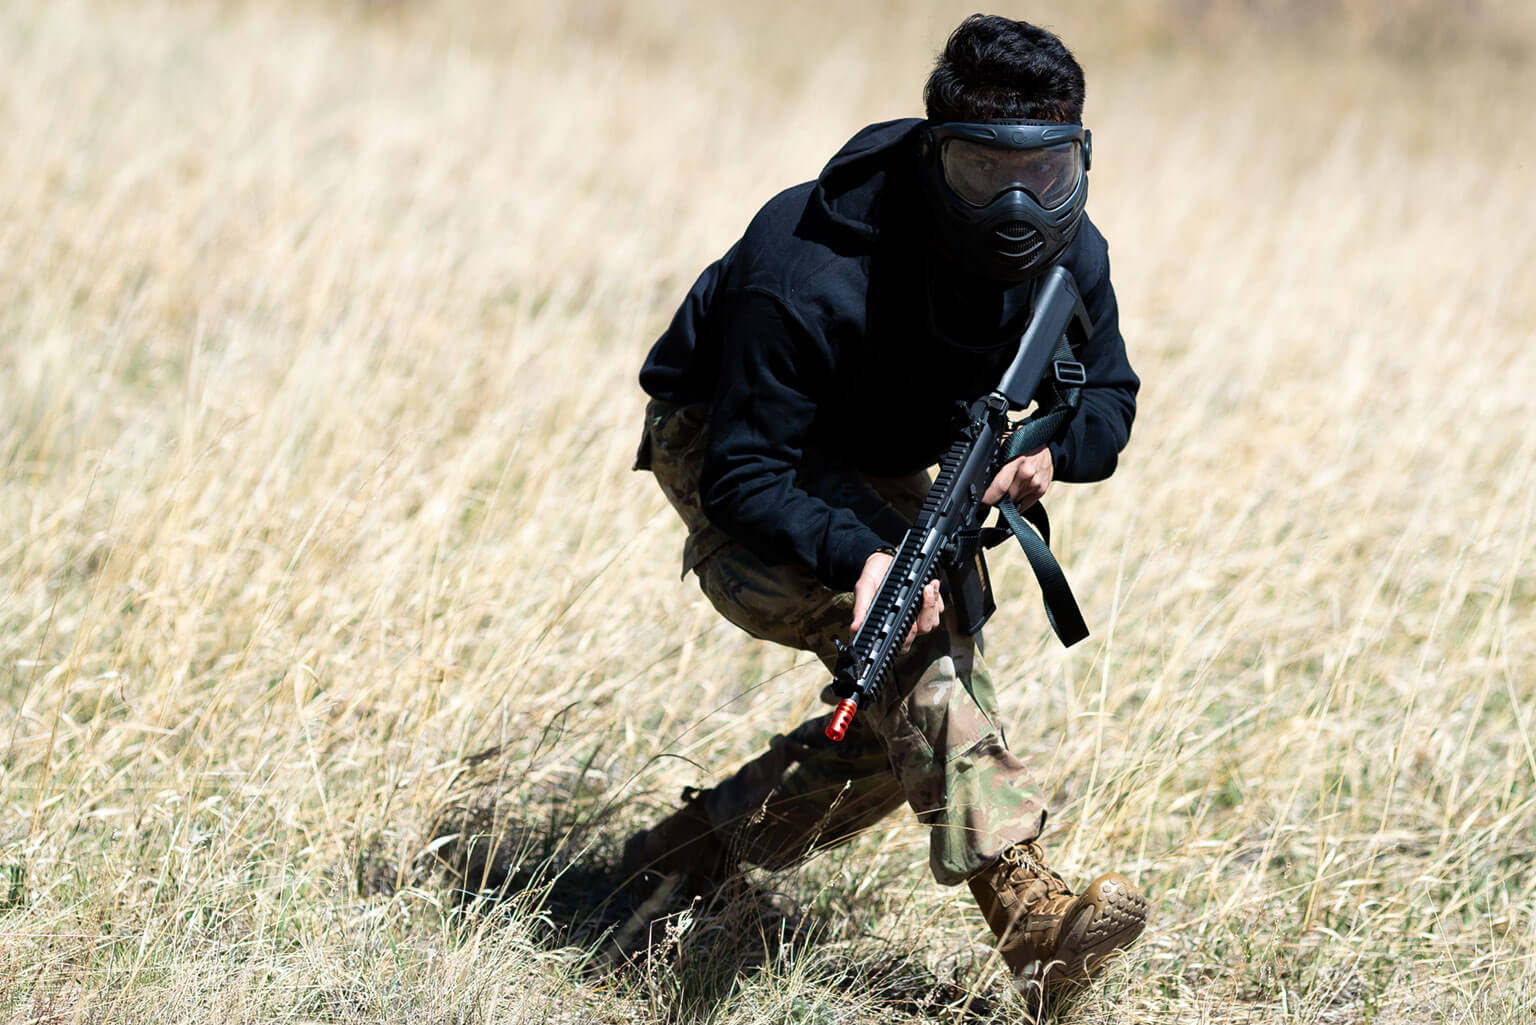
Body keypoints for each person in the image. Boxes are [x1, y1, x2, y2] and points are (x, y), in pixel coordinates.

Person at [626, 14, 1148, 992]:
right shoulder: (808, 259)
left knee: (895, 719)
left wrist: (1044, 452)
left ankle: (695, 849)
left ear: (1081, 155)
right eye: (983, 171)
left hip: (892, 449)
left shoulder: (1071, 254)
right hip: (735, 444)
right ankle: (1029, 911)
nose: (1020, 205)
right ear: (932, 153)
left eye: (1049, 173)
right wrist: (862, 553)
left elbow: (1108, 405)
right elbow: (746, 474)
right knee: (917, 651)